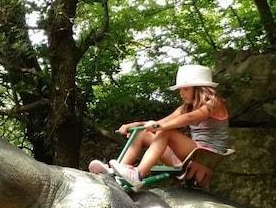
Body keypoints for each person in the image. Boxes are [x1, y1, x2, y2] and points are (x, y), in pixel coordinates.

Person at [89, 64, 230, 188]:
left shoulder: (214, 103)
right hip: (189, 156)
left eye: (185, 89)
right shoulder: (185, 108)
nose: (181, 93)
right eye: (180, 90)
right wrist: (135, 124)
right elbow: (162, 121)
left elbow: (189, 118)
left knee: (166, 132)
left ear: (200, 88)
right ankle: (117, 173)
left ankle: (138, 174)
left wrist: (159, 126)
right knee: (142, 133)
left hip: (204, 157)